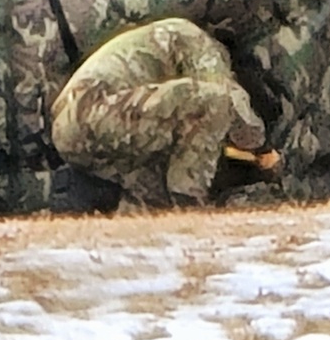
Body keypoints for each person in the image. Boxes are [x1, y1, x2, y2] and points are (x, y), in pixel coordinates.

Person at [50, 17, 280, 211]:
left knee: (157, 177)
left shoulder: (159, 48)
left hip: (77, 129)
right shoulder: (194, 37)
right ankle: (188, 206)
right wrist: (262, 148)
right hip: (95, 111)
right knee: (217, 100)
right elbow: (226, 98)